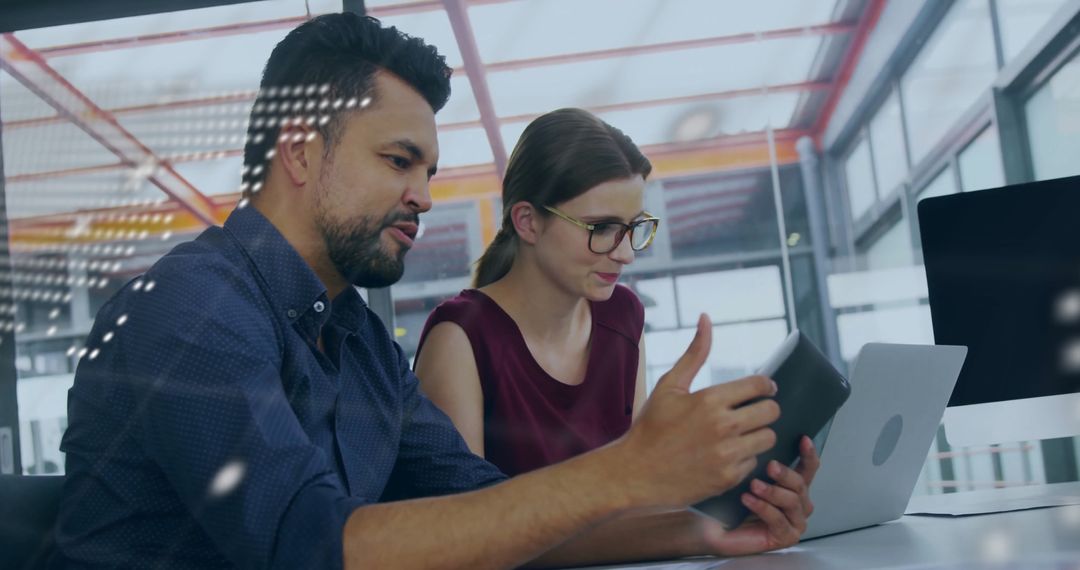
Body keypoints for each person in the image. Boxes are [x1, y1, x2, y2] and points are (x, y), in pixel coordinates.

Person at [54, 13, 818, 569]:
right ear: (300, 152)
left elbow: (490, 510)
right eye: (399, 161)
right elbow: (312, 547)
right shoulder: (190, 310)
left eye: (429, 171)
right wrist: (628, 471)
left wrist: (703, 530)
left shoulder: (358, 340)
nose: (423, 195)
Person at [414, 108, 656, 477]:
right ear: (527, 222)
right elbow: (461, 509)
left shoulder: (623, 314)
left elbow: (639, 479)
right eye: (602, 227)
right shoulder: (460, 338)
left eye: (633, 227)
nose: (625, 254)